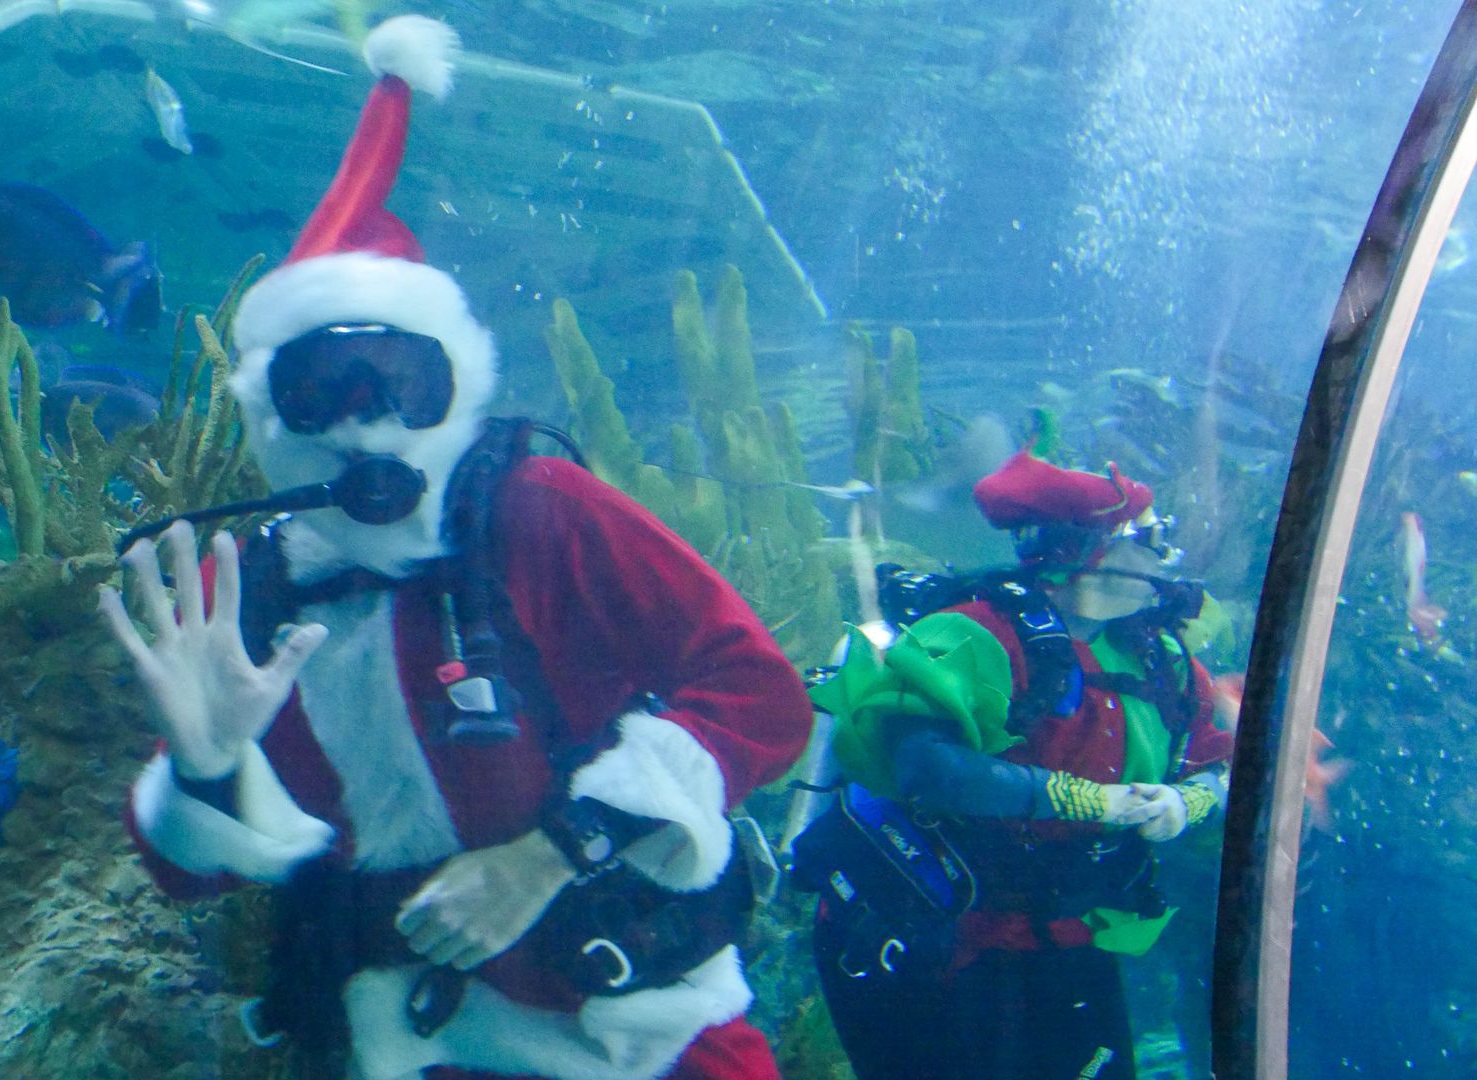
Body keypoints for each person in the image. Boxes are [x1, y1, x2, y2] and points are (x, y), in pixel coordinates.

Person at [99, 16, 811, 1080]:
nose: (362, 420)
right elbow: (188, 875)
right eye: (318, 389)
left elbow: (763, 698)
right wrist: (203, 770)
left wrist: (553, 851)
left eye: (400, 378)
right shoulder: (247, 587)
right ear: (272, 418)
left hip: (645, 1034)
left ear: (455, 388)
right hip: (416, 1046)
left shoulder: (544, 510)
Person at [790, 446, 1235, 1080]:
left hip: (1070, 932)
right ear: (1088, 552)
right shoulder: (975, 634)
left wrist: (1188, 803)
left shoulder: (1158, 656)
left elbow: (1223, 768)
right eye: (1151, 537)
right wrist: (1086, 800)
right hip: (952, 942)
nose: (1167, 558)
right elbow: (928, 768)